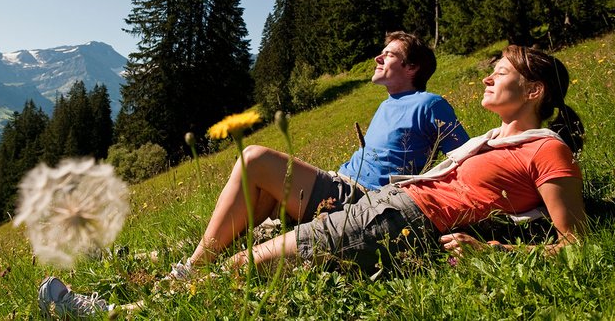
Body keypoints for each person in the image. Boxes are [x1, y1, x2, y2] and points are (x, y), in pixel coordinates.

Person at [37, 31, 468, 317]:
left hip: (362, 203)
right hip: (334, 191)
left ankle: (183, 273)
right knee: (253, 205)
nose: (378, 56)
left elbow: (463, 158)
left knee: (257, 158)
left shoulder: (430, 103)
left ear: (412, 67)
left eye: (389, 53)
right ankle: (139, 284)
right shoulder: (385, 104)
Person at [225, 44, 586, 274]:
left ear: (534, 91)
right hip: (390, 202)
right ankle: (188, 276)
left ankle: (184, 284)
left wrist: (496, 250)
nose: (487, 78)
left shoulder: (546, 149)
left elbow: (576, 242)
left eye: (501, 73)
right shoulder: (489, 140)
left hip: (406, 219)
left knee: (247, 264)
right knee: (249, 255)